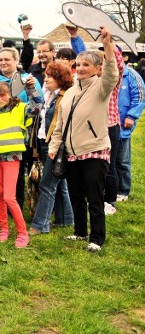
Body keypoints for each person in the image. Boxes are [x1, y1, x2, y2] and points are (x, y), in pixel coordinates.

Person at [48, 26, 119, 252]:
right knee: (76, 195)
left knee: (94, 198)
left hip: (95, 150)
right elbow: (60, 122)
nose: (81, 68)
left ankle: (96, 239)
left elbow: (112, 73)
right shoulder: (69, 92)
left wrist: (107, 45)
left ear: (97, 68)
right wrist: (55, 144)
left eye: (86, 65)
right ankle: (80, 232)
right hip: (72, 152)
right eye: (78, 65)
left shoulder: (101, 87)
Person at [0, 78, 42, 248]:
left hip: (12, 158)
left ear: (9, 94)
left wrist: (31, 88)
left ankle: (22, 232)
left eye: (3, 95)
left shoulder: (20, 109)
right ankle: (4, 229)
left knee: (9, 196)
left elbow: (37, 107)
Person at [30, 62, 75, 234]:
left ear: (60, 78)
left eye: (50, 76)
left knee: (47, 184)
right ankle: (66, 218)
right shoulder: (49, 94)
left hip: (55, 144)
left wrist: (55, 146)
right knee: (58, 181)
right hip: (43, 141)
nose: (46, 78)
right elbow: (35, 109)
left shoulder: (64, 97)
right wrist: (32, 89)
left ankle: (40, 225)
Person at [115, 63, 145, 203]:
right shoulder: (106, 71)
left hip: (122, 124)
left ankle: (123, 190)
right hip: (106, 125)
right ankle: (109, 188)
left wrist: (132, 116)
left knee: (122, 160)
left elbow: (139, 96)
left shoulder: (131, 75)